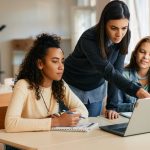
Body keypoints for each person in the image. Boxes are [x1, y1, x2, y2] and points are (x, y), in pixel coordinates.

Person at [63, 0, 150, 119]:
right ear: (104, 24)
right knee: (67, 130)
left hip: (95, 88)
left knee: (91, 130)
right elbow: (108, 71)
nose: (119, 34)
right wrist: (137, 91)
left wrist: (112, 106)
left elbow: (117, 70)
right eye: (114, 28)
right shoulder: (88, 38)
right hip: (71, 85)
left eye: (124, 28)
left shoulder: (125, 36)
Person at [5, 33, 88, 133]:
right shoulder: (23, 85)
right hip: (24, 144)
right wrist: (55, 122)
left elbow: (83, 110)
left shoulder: (59, 84)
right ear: (40, 64)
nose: (61, 67)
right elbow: (10, 124)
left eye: (62, 61)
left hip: (48, 141)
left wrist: (62, 116)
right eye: (55, 61)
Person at [116, 36, 150, 112]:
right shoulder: (122, 75)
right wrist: (138, 106)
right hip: (127, 120)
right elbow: (115, 105)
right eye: (142, 51)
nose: (145, 57)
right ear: (135, 53)